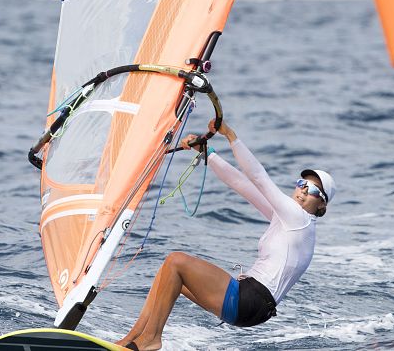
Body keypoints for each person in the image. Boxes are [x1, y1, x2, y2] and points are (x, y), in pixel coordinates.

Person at [116, 119, 335, 351]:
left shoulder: (299, 219)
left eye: (313, 190)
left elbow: (259, 177)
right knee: (168, 278)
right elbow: (241, 184)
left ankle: (151, 339)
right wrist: (207, 153)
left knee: (175, 261)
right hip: (252, 307)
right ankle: (130, 339)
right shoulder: (286, 218)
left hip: (249, 300)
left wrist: (231, 135)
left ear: (322, 205)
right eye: (302, 183)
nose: (303, 190)